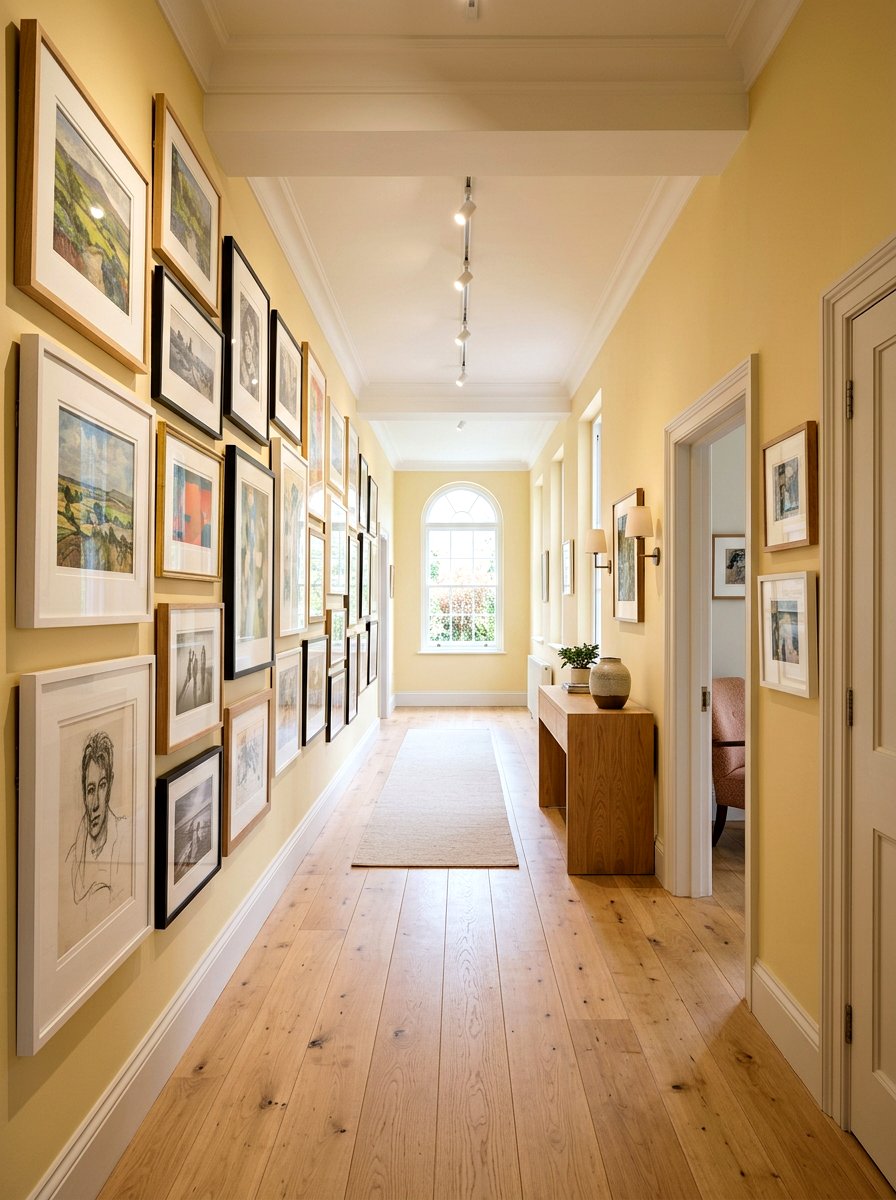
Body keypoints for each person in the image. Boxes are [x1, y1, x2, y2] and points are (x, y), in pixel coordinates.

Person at [66, 731, 126, 910]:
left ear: (110, 785)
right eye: (91, 790)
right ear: (84, 794)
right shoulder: (72, 860)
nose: (96, 804)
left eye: (102, 786)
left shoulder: (126, 840)